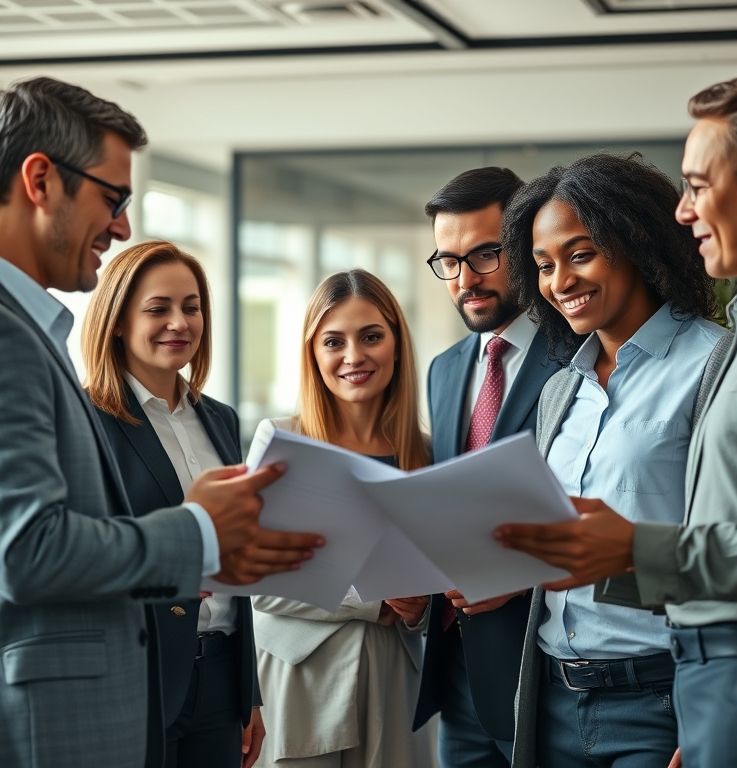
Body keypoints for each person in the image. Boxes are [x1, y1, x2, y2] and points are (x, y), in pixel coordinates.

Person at [0, 77, 323, 768]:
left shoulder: (32, 332)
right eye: (112, 200)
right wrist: (199, 529)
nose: (119, 227)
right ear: (40, 179)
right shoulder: (9, 336)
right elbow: (25, 552)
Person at [494, 72, 737, 768]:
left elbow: (717, 537)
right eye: (545, 265)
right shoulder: (562, 389)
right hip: (558, 689)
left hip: (666, 692)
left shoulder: (717, 359)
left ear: (635, 242)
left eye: (581, 254)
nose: (561, 282)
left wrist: (704, 709)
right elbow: (584, 544)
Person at [81, 240, 265, 768]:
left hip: (221, 677)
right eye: (158, 309)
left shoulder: (222, 419)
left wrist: (246, 690)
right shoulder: (88, 421)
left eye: (191, 306)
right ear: (117, 321)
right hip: (140, 678)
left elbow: (237, 567)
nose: (179, 323)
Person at [252, 269, 433, 768]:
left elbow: (436, 585)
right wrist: (371, 600)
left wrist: (420, 610)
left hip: (395, 684)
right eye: (334, 341)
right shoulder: (281, 440)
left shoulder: (427, 453)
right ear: (313, 353)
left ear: (396, 343)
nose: (354, 356)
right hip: (300, 683)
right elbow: (256, 574)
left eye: (371, 336)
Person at [414, 167, 563, 767]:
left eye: (485, 254)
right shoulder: (444, 370)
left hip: (545, 678)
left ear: (525, 247)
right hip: (456, 676)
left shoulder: (579, 354)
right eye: (448, 261)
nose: (465, 280)